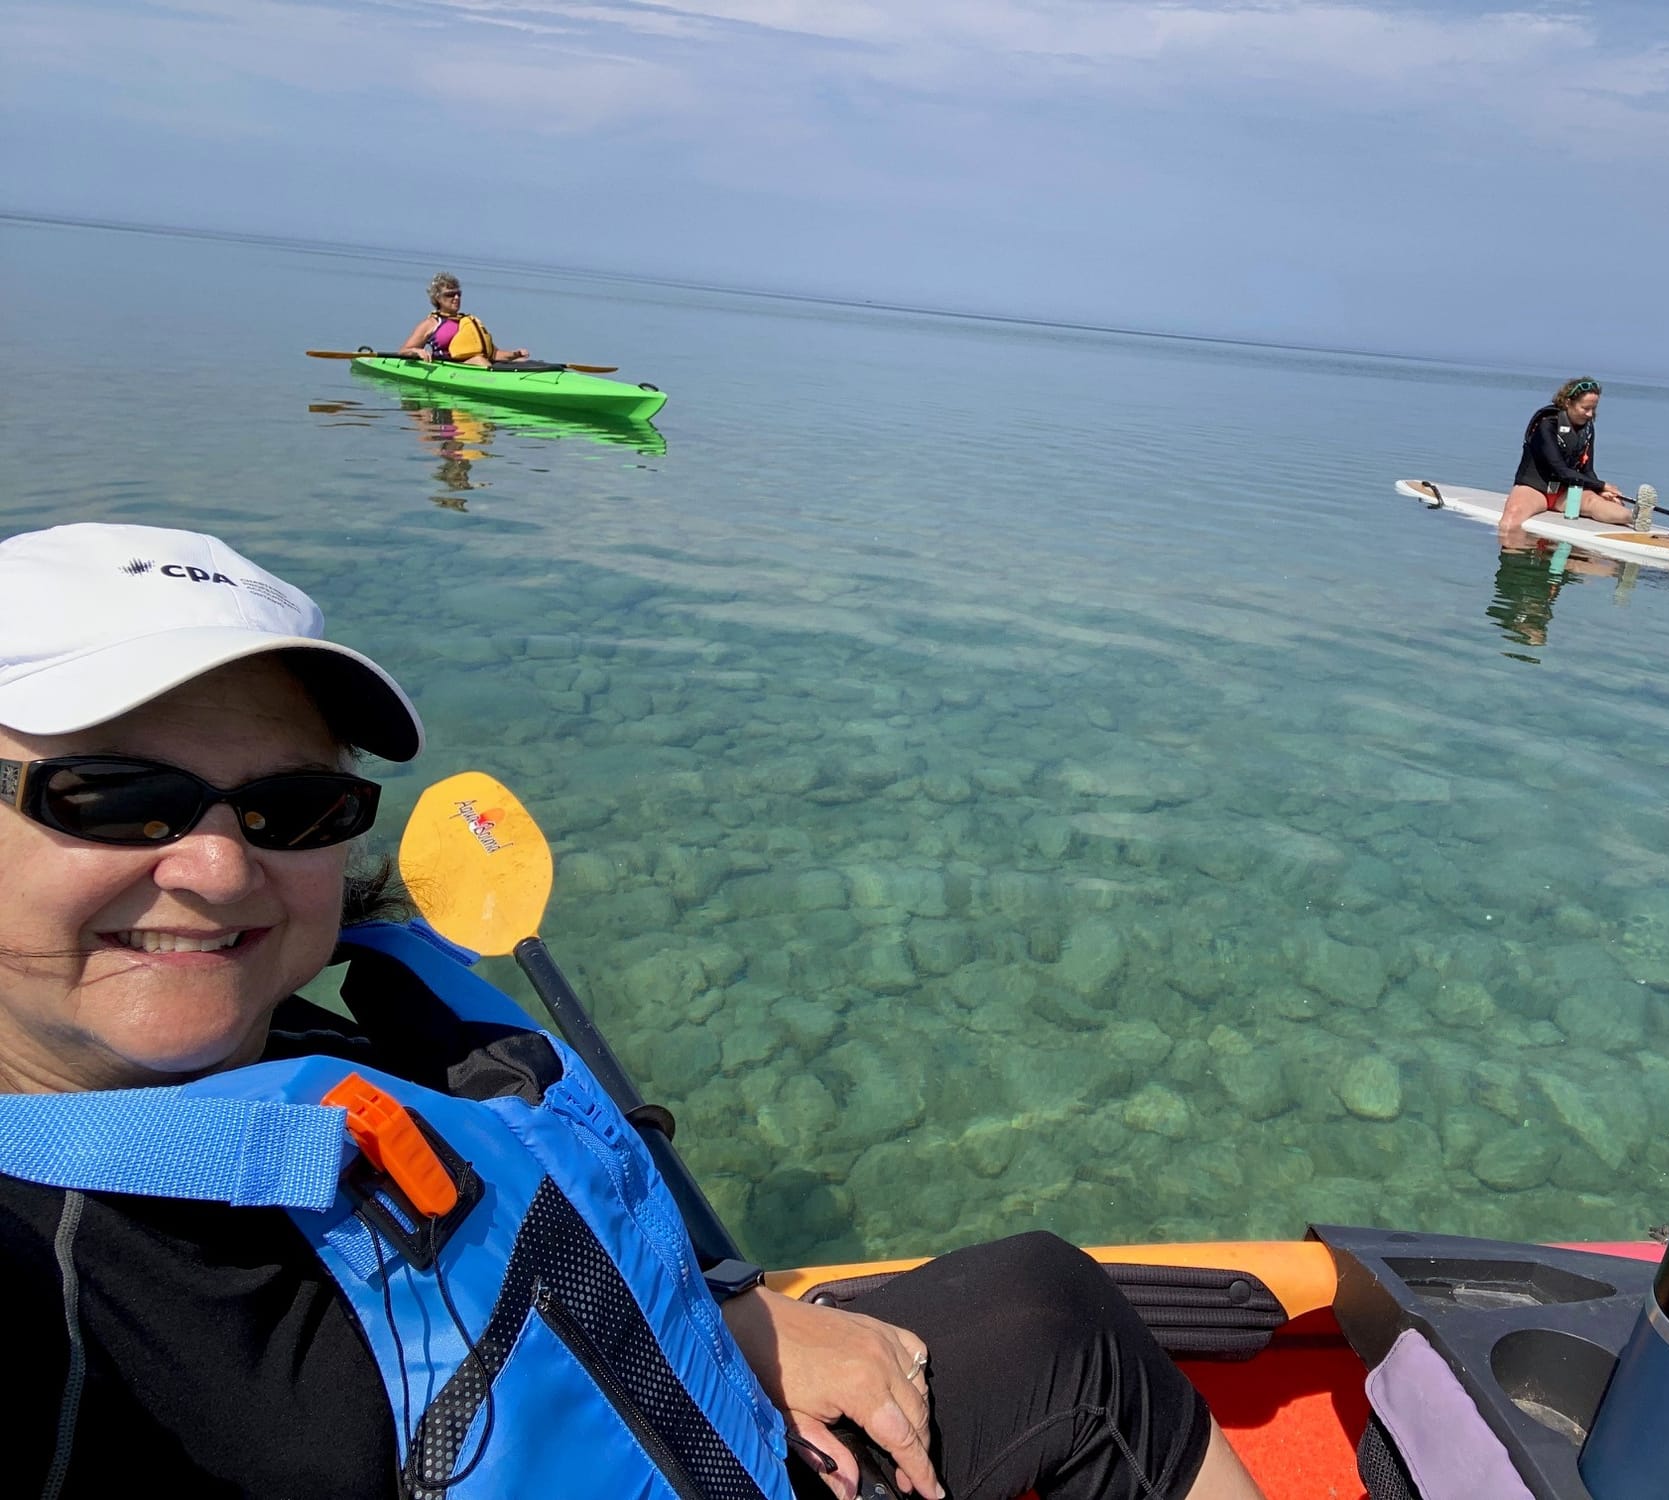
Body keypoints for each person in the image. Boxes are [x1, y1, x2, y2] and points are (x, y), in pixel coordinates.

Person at [0, 522, 1263, 1500]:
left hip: (681, 1432)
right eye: (111, 797)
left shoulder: (301, 1037)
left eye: (289, 812)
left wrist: (723, 1316)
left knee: (1049, 1305)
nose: (221, 869)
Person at [1497, 376, 1632, 542]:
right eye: (1585, 408)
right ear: (1568, 403)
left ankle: (1637, 517)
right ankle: (1514, 563)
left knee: (1620, 513)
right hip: (1534, 489)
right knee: (1510, 520)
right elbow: (1560, 470)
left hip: (1567, 493)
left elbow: (1587, 470)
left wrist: (1601, 491)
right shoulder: (1546, 425)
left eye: (1593, 409)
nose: (1590, 414)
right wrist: (1602, 485)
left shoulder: (1587, 429)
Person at [398, 272, 532, 367]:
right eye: (450, 294)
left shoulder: (468, 322)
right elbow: (404, 351)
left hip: (479, 364)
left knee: (521, 361)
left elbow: (493, 353)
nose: (456, 297)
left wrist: (515, 354)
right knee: (478, 360)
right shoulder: (430, 324)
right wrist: (417, 351)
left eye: (458, 294)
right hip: (449, 367)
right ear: (438, 298)